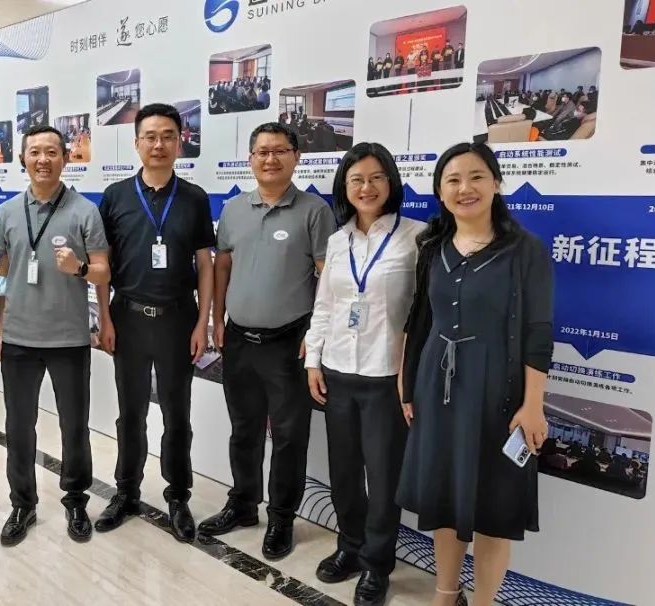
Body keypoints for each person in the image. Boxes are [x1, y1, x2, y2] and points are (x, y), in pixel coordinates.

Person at [397, 142, 554, 606]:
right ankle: (446, 595)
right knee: (444, 500)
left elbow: (538, 331)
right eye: (453, 180)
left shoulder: (525, 250)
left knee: (494, 510)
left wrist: (533, 404)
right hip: (437, 388)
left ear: (496, 183)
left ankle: (483, 601)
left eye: (476, 176)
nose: (465, 188)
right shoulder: (432, 247)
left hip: (500, 394)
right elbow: (419, 320)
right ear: (440, 192)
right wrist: (407, 383)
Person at [199, 123, 335, 560]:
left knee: (290, 435)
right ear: (250, 159)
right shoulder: (234, 209)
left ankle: (281, 517)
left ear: (296, 157)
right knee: (244, 430)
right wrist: (218, 319)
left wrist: (315, 335)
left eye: (280, 151)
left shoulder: (314, 211)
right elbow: (222, 266)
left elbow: (327, 278)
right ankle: (243, 504)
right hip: (239, 338)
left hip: (289, 342)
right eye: (262, 152)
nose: (270, 159)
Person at [304, 142, 426, 606]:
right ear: (345, 187)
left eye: (376, 178)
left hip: (386, 377)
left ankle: (377, 564)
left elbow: (424, 313)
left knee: (383, 476)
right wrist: (313, 360)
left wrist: (410, 376)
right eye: (356, 179)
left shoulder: (417, 237)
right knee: (343, 473)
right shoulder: (338, 241)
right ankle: (349, 547)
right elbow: (325, 306)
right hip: (338, 372)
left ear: (391, 183)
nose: (366, 187)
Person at [94, 103, 216, 542]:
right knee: (130, 413)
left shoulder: (195, 198)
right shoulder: (115, 196)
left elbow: (205, 264)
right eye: (150, 136)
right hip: (127, 317)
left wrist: (203, 323)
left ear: (180, 142)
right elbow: (102, 265)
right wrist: (105, 317)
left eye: (168, 136)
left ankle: (178, 496)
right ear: (137, 143)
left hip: (177, 320)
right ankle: (126, 492)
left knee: (177, 414)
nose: (159, 144)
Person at [0, 125, 111, 547]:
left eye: (51, 152)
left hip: (68, 339)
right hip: (19, 338)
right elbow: (5, 270)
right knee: (18, 426)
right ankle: (22, 503)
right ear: (23, 159)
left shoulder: (85, 211)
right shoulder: (7, 212)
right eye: (35, 152)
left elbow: (103, 272)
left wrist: (79, 268)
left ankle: (76, 501)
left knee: (74, 426)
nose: (43, 160)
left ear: (65, 158)